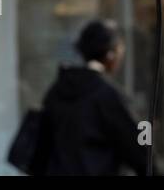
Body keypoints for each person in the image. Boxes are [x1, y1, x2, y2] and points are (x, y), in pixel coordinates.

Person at [37, 19, 150, 175]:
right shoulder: (106, 95)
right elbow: (139, 153)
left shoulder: (57, 89)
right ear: (110, 54)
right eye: (120, 50)